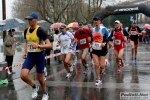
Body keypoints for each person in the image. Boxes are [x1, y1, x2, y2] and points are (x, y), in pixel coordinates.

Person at [20, 12, 51, 100]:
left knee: (40, 78)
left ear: (36, 20)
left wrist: (39, 46)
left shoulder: (40, 30)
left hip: (39, 56)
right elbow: (26, 42)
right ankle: (34, 87)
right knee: (23, 75)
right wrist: (24, 52)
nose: (29, 21)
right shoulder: (26, 30)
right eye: (28, 19)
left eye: (31, 19)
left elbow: (49, 45)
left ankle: (45, 93)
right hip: (30, 56)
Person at [91, 16, 109, 86]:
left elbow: (109, 37)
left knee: (101, 66)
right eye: (94, 20)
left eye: (97, 20)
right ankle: (98, 79)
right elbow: (91, 39)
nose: (95, 21)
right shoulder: (92, 30)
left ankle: (105, 63)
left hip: (102, 49)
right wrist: (90, 45)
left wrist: (104, 43)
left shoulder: (104, 29)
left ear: (100, 21)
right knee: (96, 64)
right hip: (95, 49)